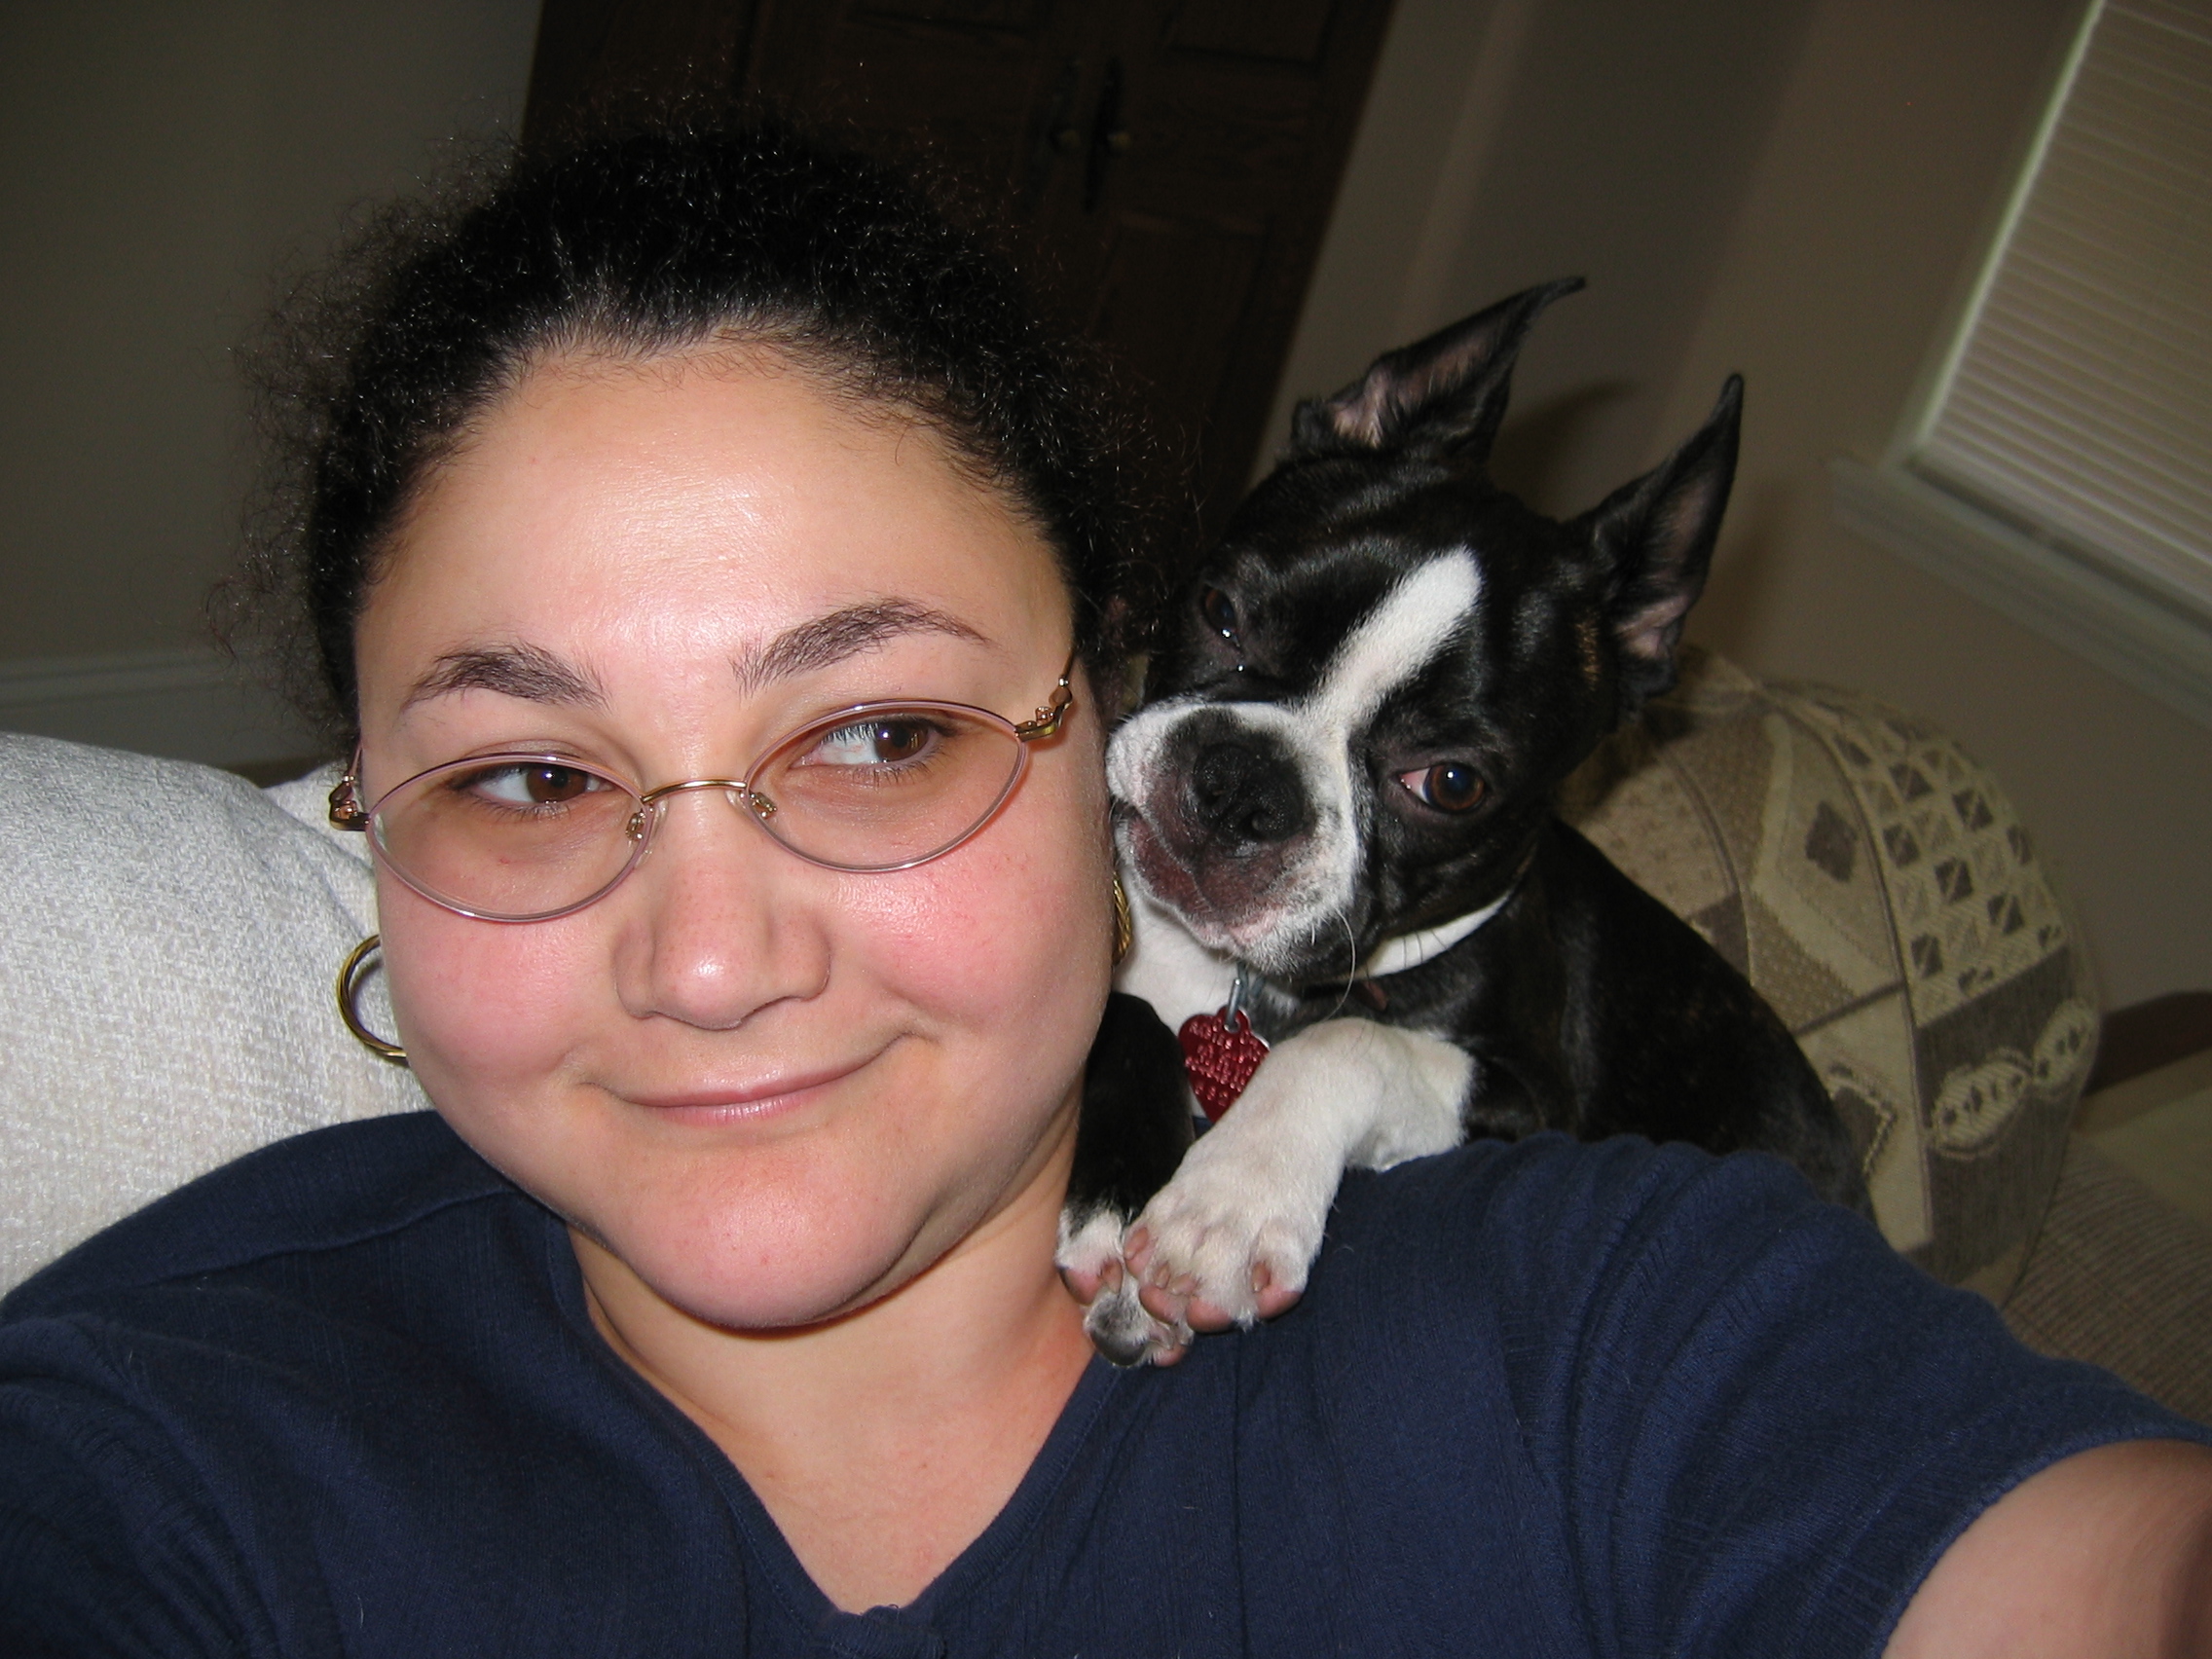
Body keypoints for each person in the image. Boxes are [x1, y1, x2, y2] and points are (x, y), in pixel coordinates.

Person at [0, 117, 2206, 1657]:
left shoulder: (1611, 1317)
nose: (711, 956)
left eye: (879, 732)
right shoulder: (174, 1422)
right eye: (534, 775)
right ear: (362, 817)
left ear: (1082, 675)